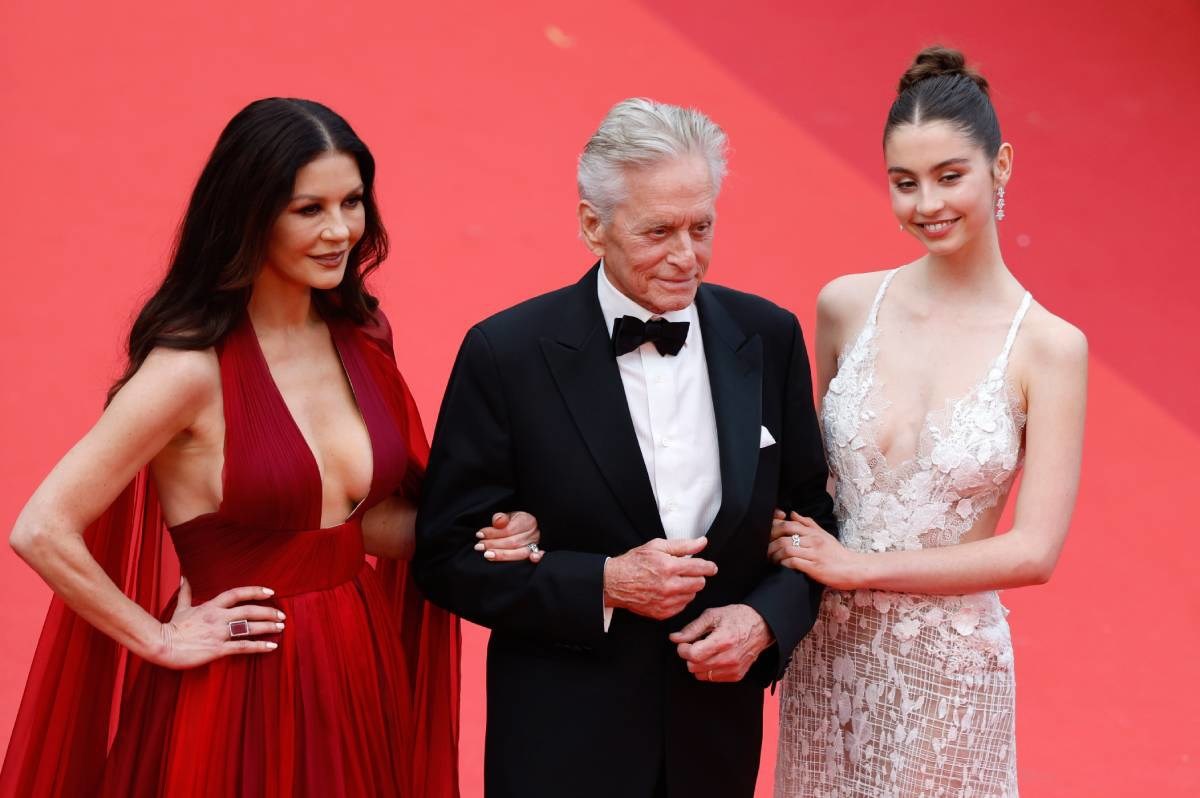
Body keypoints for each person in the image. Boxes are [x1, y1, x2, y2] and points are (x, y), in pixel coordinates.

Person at [1, 97, 541, 798]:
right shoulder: (188, 371)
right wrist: (159, 638)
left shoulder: (361, 339)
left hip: (355, 671)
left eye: (352, 202)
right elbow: (41, 528)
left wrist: (481, 532)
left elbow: (359, 525)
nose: (340, 230)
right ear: (249, 215)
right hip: (238, 694)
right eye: (308, 209)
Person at [414, 98, 837, 798]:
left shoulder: (768, 336)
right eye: (658, 231)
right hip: (560, 744)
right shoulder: (506, 353)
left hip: (714, 741)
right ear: (593, 225)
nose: (686, 256)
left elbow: (810, 518)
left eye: (702, 227)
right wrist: (604, 584)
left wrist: (764, 621)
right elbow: (446, 557)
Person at [771, 46, 1087, 796]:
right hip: (827, 653)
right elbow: (810, 482)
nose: (926, 204)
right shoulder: (846, 306)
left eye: (950, 176)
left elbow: (1034, 552)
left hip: (948, 671)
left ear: (1000, 166)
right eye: (904, 182)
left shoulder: (1049, 347)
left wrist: (859, 569)